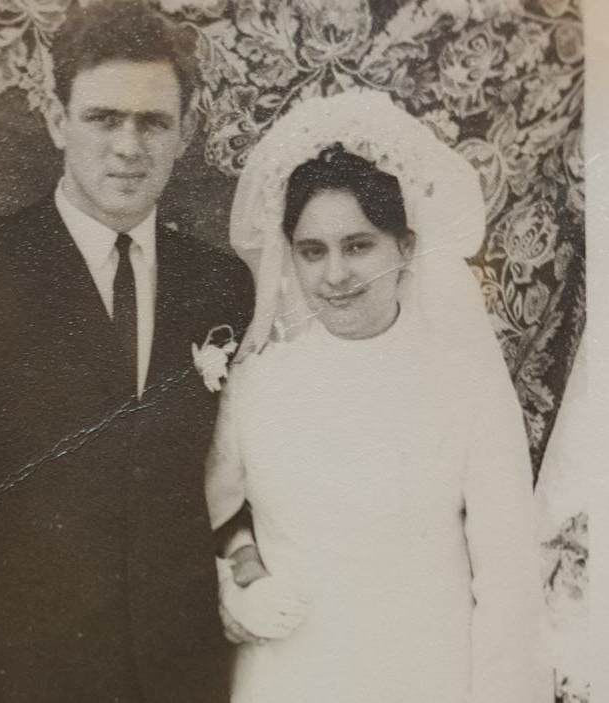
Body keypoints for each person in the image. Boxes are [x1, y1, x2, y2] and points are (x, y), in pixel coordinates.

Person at [0, 2, 253, 701]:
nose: (128, 146)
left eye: (154, 122)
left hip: (186, 679)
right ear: (59, 122)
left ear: (185, 133)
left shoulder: (221, 285)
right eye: (103, 118)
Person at [206, 91, 548, 703]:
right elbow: (199, 516)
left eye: (359, 245)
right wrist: (236, 570)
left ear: (406, 246)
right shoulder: (258, 380)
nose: (335, 274)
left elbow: (508, 579)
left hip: (425, 678)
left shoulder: (460, 379)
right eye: (312, 251)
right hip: (288, 679)